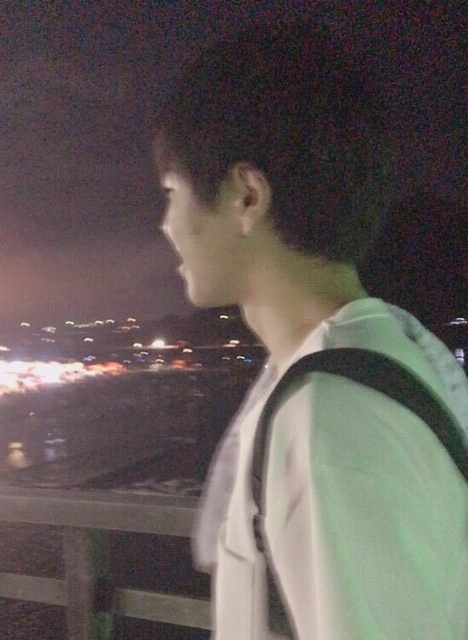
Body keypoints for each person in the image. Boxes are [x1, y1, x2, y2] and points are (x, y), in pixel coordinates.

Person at [153, 20, 468, 640]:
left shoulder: (331, 418)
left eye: (171, 192)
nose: (167, 224)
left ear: (247, 196)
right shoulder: (385, 358)